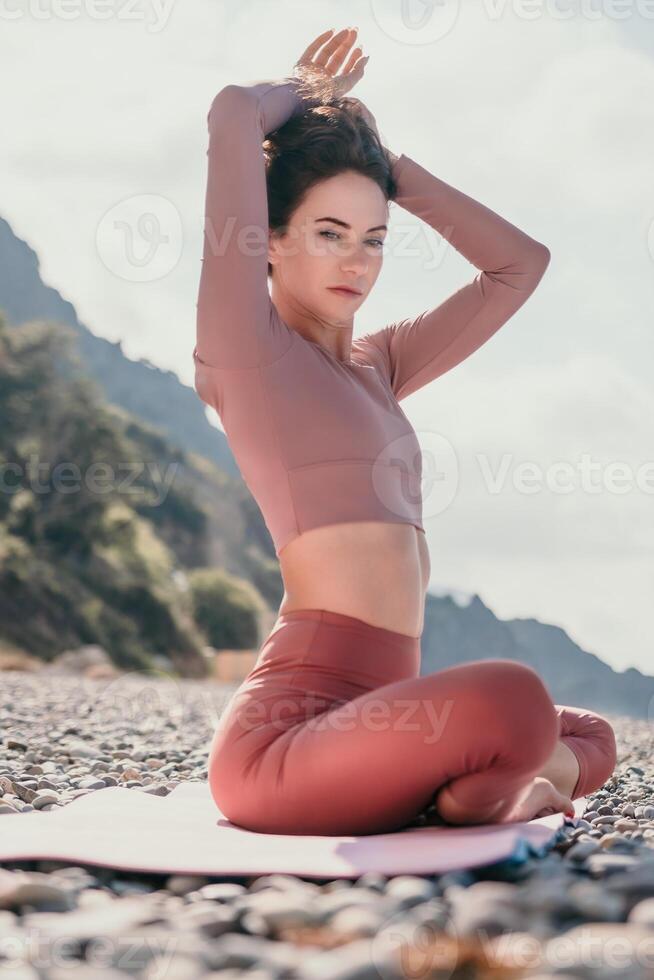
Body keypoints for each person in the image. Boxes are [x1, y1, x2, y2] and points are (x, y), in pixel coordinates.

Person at [193, 27, 617, 835]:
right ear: (270, 244)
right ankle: (489, 788)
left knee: (592, 733)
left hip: (383, 714)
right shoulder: (248, 354)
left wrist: (387, 167)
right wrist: (304, 93)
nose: (357, 261)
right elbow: (231, 115)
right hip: (284, 745)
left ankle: (473, 787)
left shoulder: (378, 367)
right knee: (515, 702)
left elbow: (519, 266)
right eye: (329, 233)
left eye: (374, 238)